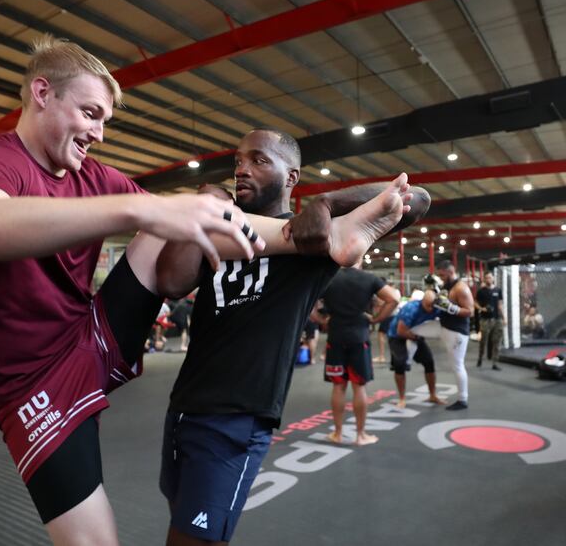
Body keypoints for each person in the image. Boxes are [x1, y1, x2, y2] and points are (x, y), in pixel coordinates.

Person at [0, 34, 291, 546]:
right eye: (89, 113)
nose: (99, 133)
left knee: (183, 212)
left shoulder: (95, 176)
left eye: (104, 120)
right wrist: (137, 208)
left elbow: (209, 227)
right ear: (42, 93)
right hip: (31, 383)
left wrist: (314, 234)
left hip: (93, 339)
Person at [155, 128, 427, 545]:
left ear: (291, 178)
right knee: (180, 519)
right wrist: (203, 207)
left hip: (237, 420)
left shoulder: (312, 239)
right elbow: (171, 280)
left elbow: (418, 198)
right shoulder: (225, 228)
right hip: (184, 410)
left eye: (259, 161)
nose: (242, 170)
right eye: (238, 161)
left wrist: (326, 203)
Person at [321, 262, 400, 446]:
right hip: (359, 338)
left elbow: (306, 300)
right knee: (359, 387)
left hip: (336, 338)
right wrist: (377, 319)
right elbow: (393, 299)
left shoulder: (329, 277)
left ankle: (338, 433)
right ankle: (360, 435)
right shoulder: (369, 278)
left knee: (338, 387)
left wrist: (321, 320)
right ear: (360, 259)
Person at [387, 289, 446, 408]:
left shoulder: (436, 308)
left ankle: (432, 395)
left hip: (415, 334)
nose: (430, 309)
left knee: (429, 362)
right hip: (397, 336)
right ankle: (402, 398)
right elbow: (401, 331)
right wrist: (417, 337)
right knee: (400, 364)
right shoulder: (411, 309)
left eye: (432, 306)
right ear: (422, 302)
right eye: (427, 306)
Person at [434, 260, 475, 410]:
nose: (441, 277)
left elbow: (470, 311)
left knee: (458, 365)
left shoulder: (461, 288)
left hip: (457, 332)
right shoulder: (446, 286)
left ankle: (463, 400)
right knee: (455, 365)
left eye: (443, 275)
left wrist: (451, 308)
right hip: (446, 328)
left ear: (451, 272)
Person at [475, 273, 504, 370]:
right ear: (484, 279)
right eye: (486, 277)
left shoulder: (498, 290)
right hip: (485, 320)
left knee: (497, 341)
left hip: (497, 319)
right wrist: (481, 308)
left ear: (493, 279)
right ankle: (480, 358)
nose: (488, 279)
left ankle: (495, 362)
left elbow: (500, 304)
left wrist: (504, 317)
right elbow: (475, 302)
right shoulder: (481, 291)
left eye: (490, 277)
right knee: (483, 341)